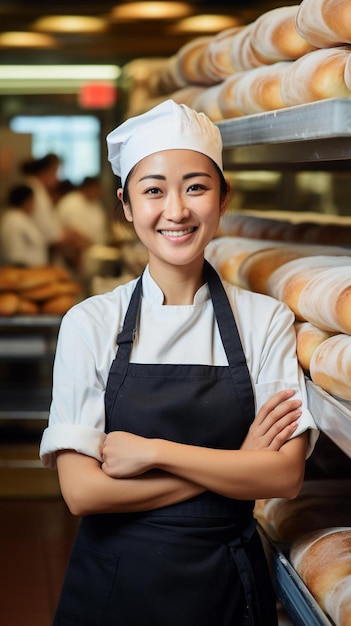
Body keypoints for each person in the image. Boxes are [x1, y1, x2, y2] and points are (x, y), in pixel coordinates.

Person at [40, 100, 318, 626]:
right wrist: (236, 464)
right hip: (115, 585)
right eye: (153, 191)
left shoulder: (266, 320)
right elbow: (82, 492)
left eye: (195, 186)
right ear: (125, 204)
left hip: (227, 588)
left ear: (223, 196)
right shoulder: (90, 322)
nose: (176, 211)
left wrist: (153, 451)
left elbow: (283, 475)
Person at [0, 184, 49, 267]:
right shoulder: (13, 220)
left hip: (33, 270)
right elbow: (15, 255)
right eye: (34, 201)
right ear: (28, 201)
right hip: (23, 272)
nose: (35, 205)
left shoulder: (21, 218)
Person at [56, 176, 110, 246]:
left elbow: (103, 229)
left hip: (97, 247)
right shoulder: (69, 202)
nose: (100, 192)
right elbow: (66, 230)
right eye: (97, 189)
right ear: (88, 188)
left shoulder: (97, 205)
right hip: (75, 249)